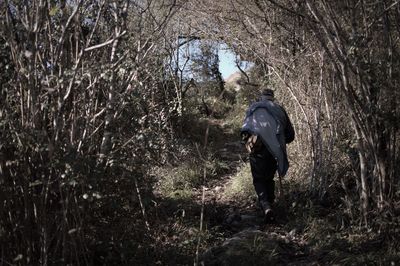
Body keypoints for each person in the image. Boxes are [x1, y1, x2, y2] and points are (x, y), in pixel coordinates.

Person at [241, 89, 295, 222]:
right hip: (273, 150)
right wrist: (279, 141)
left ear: (262, 97)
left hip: (256, 148)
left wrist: (250, 141)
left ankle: (266, 206)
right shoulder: (279, 109)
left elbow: (244, 131)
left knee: (258, 179)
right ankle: (271, 205)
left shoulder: (253, 108)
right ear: (272, 98)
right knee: (269, 178)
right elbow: (290, 135)